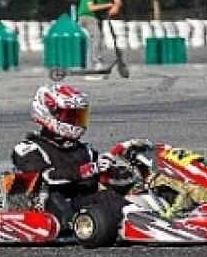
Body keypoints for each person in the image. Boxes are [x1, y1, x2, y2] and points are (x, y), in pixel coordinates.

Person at [10, 84, 131, 226]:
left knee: (132, 194)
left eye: (79, 116)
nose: (76, 121)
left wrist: (124, 172)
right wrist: (89, 169)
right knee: (108, 199)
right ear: (49, 113)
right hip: (55, 208)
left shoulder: (83, 149)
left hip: (88, 207)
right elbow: (48, 177)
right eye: (71, 116)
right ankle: (141, 223)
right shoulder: (28, 149)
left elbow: (105, 178)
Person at [77, 0, 122, 71]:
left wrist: (116, 7)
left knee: (96, 40)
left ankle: (90, 65)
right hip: (86, 16)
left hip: (98, 17)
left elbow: (118, 0)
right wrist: (110, 5)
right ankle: (96, 61)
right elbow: (91, 8)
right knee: (97, 36)